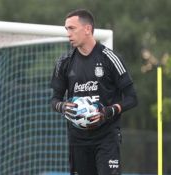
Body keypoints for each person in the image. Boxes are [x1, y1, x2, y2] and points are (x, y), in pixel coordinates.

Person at [50, 9, 138, 175]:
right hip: (78, 141)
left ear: (87, 29)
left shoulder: (110, 59)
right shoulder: (64, 62)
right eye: (66, 29)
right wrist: (62, 106)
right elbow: (54, 99)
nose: (68, 33)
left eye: (72, 28)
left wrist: (108, 111)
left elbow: (132, 98)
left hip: (106, 139)